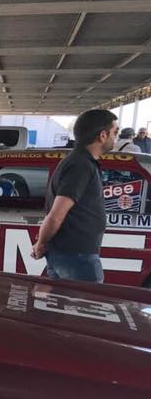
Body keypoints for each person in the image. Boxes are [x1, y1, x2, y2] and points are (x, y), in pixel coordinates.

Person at [31, 109, 118, 283]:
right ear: (102, 135)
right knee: (87, 301)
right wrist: (41, 243)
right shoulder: (81, 165)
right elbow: (56, 214)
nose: (116, 138)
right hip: (76, 258)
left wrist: (42, 242)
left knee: (64, 300)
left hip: (71, 255)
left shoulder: (79, 161)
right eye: (115, 132)